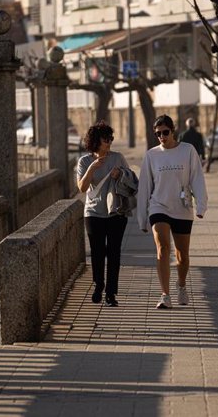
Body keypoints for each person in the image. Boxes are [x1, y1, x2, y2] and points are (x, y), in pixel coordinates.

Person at [137, 114, 208, 309]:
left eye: (165, 132)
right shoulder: (152, 155)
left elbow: (197, 179)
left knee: (182, 255)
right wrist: (142, 218)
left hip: (182, 207)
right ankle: (165, 295)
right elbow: (145, 186)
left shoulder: (188, 151)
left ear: (173, 131)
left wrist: (201, 205)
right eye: (158, 133)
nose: (162, 136)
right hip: (158, 206)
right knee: (162, 248)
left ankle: (182, 287)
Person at [77, 121, 130, 307]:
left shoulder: (118, 158)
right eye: (106, 139)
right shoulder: (84, 161)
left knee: (114, 253)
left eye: (111, 138)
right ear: (95, 141)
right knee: (97, 253)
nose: (109, 142)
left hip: (116, 212)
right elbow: (82, 188)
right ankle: (99, 284)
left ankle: (110, 293)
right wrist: (92, 168)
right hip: (93, 213)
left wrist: (121, 174)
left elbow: (131, 181)